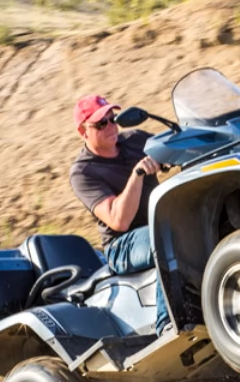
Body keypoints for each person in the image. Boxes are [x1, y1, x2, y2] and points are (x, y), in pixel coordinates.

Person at [68, 94, 172, 336]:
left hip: (158, 224)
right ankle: (167, 323)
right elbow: (119, 220)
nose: (111, 126)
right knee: (165, 232)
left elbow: (177, 148)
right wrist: (137, 175)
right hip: (121, 246)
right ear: (83, 132)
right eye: (101, 124)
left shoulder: (135, 140)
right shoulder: (83, 172)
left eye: (113, 119)